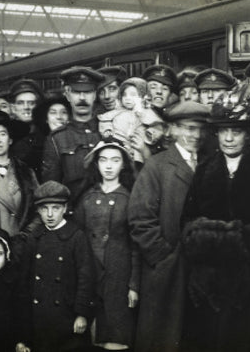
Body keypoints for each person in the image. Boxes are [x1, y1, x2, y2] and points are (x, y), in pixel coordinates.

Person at [180, 86, 250, 351]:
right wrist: (205, 238)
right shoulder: (206, 168)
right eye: (223, 131)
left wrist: (240, 238)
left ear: (248, 134)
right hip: (207, 278)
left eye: (236, 131)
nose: (229, 138)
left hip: (249, 277)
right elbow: (187, 220)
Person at [128, 100, 210, 352]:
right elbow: (140, 219)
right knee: (164, 337)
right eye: (187, 128)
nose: (194, 135)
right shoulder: (158, 165)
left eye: (199, 129)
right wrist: (164, 257)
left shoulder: (211, 162)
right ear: (172, 130)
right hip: (167, 270)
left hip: (203, 267)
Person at [75, 139, 140, 351]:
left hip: (119, 275)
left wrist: (133, 284)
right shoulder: (87, 197)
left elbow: (136, 244)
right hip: (90, 272)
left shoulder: (130, 198)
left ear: (124, 165)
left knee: (117, 335)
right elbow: (77, 238)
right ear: (96, 164)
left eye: (115, 160)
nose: (109, 166)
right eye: (103, 160)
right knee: (93, 334)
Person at [20, 181, 95, 352]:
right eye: (44, 209)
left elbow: (86, 278)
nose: (50, 214)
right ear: (38, 211)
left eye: (55, 208)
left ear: (64, 208)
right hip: (40, 319)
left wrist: (82, 314)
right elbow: (25, 283)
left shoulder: (76, 236)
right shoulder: (34, 238)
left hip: (68, 319)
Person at [42, 66, 104, 204]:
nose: (82, 98)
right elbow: (51, 189)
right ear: (67, 94)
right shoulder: (56, 138)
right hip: (74, 217)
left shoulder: (107, 130)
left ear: (95, 94)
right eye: (76, 92)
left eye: (87, 92)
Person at [8, 79, 46, 179]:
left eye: (31, 103)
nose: (26, 107)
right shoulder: (6, 136)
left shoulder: (47, 135)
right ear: (13, 108)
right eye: (20, 103)